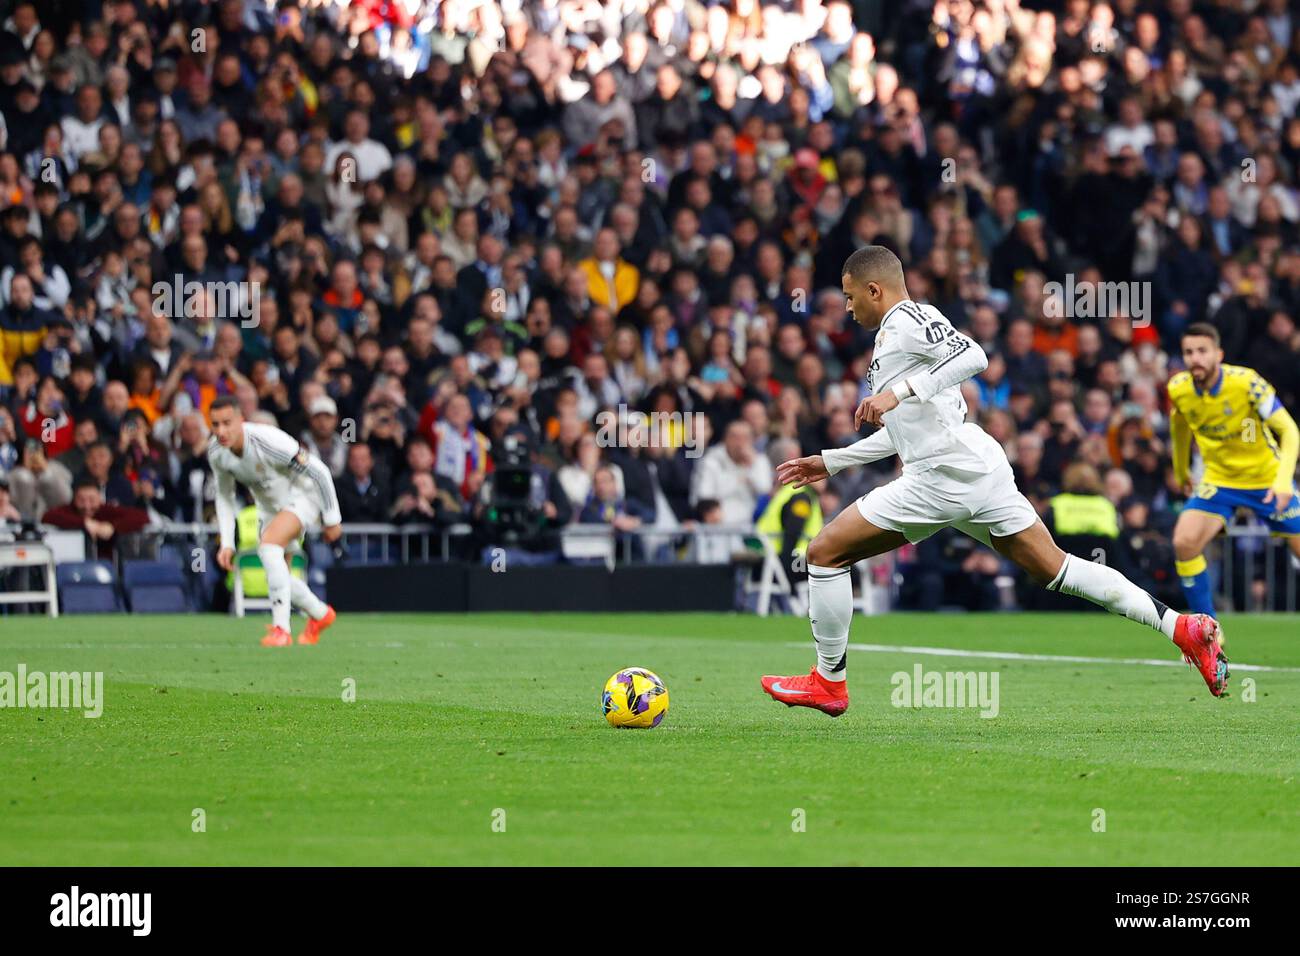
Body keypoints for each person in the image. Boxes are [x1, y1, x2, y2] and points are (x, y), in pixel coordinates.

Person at [762, 247, 1229, 717]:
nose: (847, 307)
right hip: (974, 467)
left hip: (940, 476)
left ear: (873, 290)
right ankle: (1181, 627)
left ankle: (829, 682)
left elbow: (974, 354)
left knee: (823, 554)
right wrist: (834, 461)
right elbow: (909, 433)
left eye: (849, 297)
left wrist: (896, 392)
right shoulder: (893, 338)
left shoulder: (909, 319)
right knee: (1058, 569)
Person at [1167, 323, 1300, 620]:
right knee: (1184, 543)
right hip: (1219, 481)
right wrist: (1181, 470)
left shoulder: (1247, 383)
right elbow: (1179, 427)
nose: (1195, 359)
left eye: (1202, 351)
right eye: (1189, 352)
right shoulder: (1179, 388)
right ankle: (1208, 634)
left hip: (1266, 479)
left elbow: (1289, 430)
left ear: (1219, 354)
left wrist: (1283, 483)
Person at [207, 394, 341, 647]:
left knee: (268, 547)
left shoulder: (267, 441)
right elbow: (224, 496)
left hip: (303, 496)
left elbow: (319, 471)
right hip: (269, 507)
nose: (221, 431)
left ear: (240, 420)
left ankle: (281, 629)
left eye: (227, 423)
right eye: (215, 424)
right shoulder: (216, 452)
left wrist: (332, 518)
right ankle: (321, 614)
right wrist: (227, 542)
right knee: (278, 572)